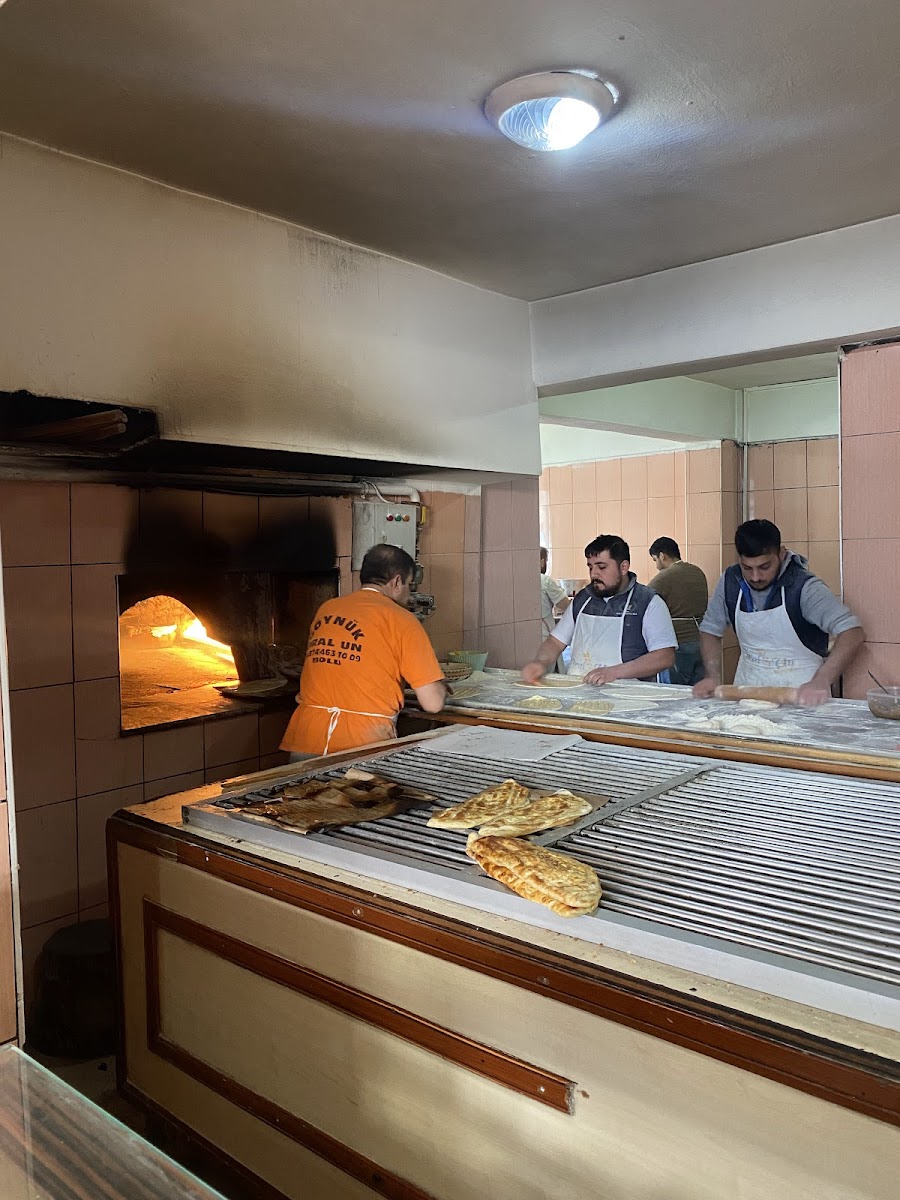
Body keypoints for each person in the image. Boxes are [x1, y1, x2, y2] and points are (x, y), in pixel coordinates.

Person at [280, 544, 447, 758]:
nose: (409, 595)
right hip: (361, 744)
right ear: (397, 582)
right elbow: (433, 704)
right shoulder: (402, 620)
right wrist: (440, 685)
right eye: (410, 585)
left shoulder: (328, 609)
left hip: (306, 740)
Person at [693, 519, 865, 706]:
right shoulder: (730, 582)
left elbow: (852, 633)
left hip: (802, 695)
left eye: (764, 567)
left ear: (781, 554)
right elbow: (710, 630)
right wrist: (712, 675)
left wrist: (822, 680)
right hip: (748, 691)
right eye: (747, 568)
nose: (755, 577)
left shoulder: (805, 588)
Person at [521, 535, 676, 685]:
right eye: (590, 567)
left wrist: (613, 672)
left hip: (628, 696)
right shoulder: (583, 599)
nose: (594, 573)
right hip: (580, 693)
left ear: (623, 567)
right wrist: (540, 663)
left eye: (602, 567)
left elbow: (664, 656)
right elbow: (555, 642)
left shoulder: (648, 602)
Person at [647, 537, 709, 686]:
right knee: (697, 691)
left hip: (679, 642)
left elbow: (644, 602)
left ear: (662, 556)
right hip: (701, 640)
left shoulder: (664, 578)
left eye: (655, 560)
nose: (656, 566)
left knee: (675, 692)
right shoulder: (697, 572)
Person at [540, 547, 571, 659]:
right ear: (542, 561)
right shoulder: (545, 581)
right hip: (544, 635)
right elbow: (566, 606)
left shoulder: (518, 580)